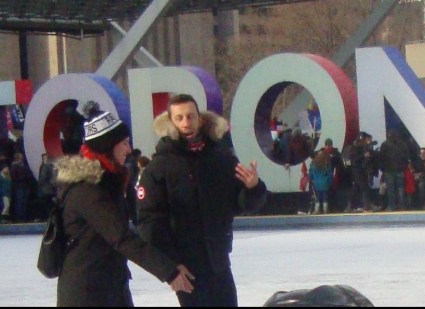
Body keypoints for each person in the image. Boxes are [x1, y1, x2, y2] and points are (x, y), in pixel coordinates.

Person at [54, 101, 193, 307]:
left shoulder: (109, 182)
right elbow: (122, 237)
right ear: (107, 146)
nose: (129, 149)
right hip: (87, 293)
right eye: (124, 143)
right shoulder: (88, 189)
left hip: (110, 286)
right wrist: (168, 271)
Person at [137, 93, 267, 307]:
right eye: (179, 118)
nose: (186, 123)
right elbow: (149, 222)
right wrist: (170, 266)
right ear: (170, 122)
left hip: (219, 263)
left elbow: (241, 204)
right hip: (186, 269)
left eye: (190, 116)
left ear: (201, 118)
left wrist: (253, 188)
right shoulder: (159, 167)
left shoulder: (221, 158)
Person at [378, 128, 409, 212]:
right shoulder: (402, 144)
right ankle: (402, 205)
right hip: (399, 169)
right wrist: (404, 167)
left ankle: (392, 206)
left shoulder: (385, 144)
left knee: (391, 189)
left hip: (389, 170)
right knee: (400, 188)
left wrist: (382, 168)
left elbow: (381, 157)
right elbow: (406, 157)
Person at [308, 149, 334, 214]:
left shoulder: (313, 164)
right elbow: (330, 175)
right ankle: (325, 210)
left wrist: (311, 180)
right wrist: (330, 182)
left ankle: (317, 210)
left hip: (316, 184)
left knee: (317, 196)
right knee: (325, 196)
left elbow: (310, 174)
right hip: (325, 183)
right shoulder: (327, 163)